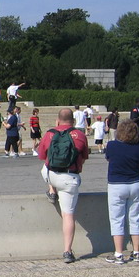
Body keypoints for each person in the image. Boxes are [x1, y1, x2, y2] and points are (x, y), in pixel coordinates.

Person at [37, 108, 90, 263]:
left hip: (52, 175)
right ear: (73, 121)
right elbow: (84, 158)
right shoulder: (79, 135)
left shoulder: (49, 134)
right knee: (68, 215)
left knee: (44, 168)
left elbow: (42, 157)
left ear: (57, 120)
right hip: (70, 178)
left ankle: (51, 190)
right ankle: (67, 251)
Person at [104, 119, 139, 264]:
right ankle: (136, 251)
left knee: (117, 219)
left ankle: (119, 253)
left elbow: (109, 159)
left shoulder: (112, 145)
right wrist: (138, 181)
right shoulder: (138, 148)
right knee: (135, 218)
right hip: (135, 183)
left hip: (116, 184)